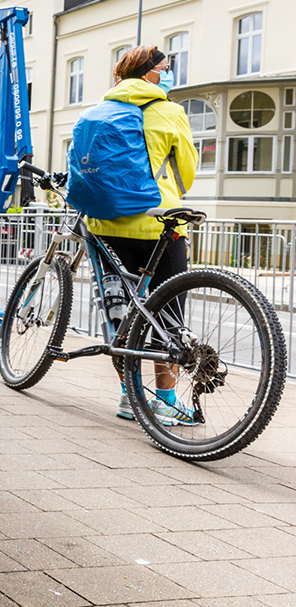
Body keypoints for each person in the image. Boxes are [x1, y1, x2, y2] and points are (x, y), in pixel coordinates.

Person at [87, 45, 197, 425]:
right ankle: (164, 399)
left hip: (104, 225)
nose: (167, 74)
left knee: (120, 312)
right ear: (150, 74)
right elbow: (185, 175)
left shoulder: (98, 112)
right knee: (168, 316)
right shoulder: (169, 111)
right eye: (165, 69)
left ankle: (128, 396)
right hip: (157, 224)